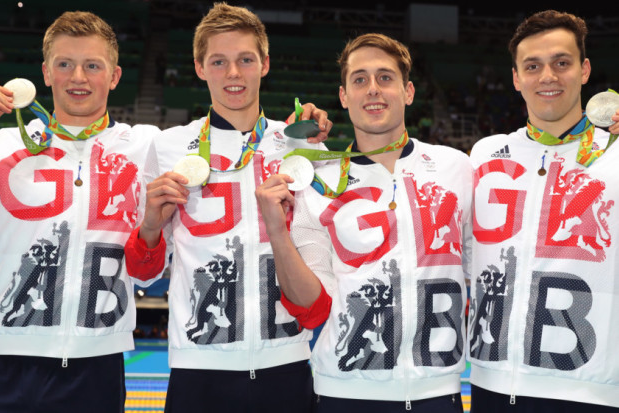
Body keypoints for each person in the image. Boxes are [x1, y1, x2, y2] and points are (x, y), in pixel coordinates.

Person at [123, 3, 331, 412]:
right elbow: (144, 274)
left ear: (265, 64)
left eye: (245, 60)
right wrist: (149, 226)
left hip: (287, 363)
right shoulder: (167, 147)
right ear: (200, 67)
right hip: (197, 369)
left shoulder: (303, 147)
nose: (233, 73)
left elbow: (322, 268)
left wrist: (317, 142)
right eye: (219, 61)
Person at [256, 32, 472, 412]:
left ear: (408, 91)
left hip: (437, 393)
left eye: (385, 78)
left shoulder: (456, 167)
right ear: (343, 97)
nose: (373, 89)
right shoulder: (321, 181)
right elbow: (312, 308)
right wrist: (277, 230)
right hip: (345, 393)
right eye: (360, 79)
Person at [0, 11, 159, 413]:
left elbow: (236, 146)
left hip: (97, 362)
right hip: (6, 353)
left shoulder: (146, 146)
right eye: (65, 64)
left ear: (115, 75)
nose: (78, 77)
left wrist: (291, 132)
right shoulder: (3, 145)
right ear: (45, 73)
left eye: (93, 65)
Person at [467, 10, 619, 412]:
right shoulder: (484, 154)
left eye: (561, 63)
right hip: (490, 385)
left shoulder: (615, 153)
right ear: (516, 78)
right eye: (532, 66)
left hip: (588, 391)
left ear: (585, 70)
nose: (547, 76)